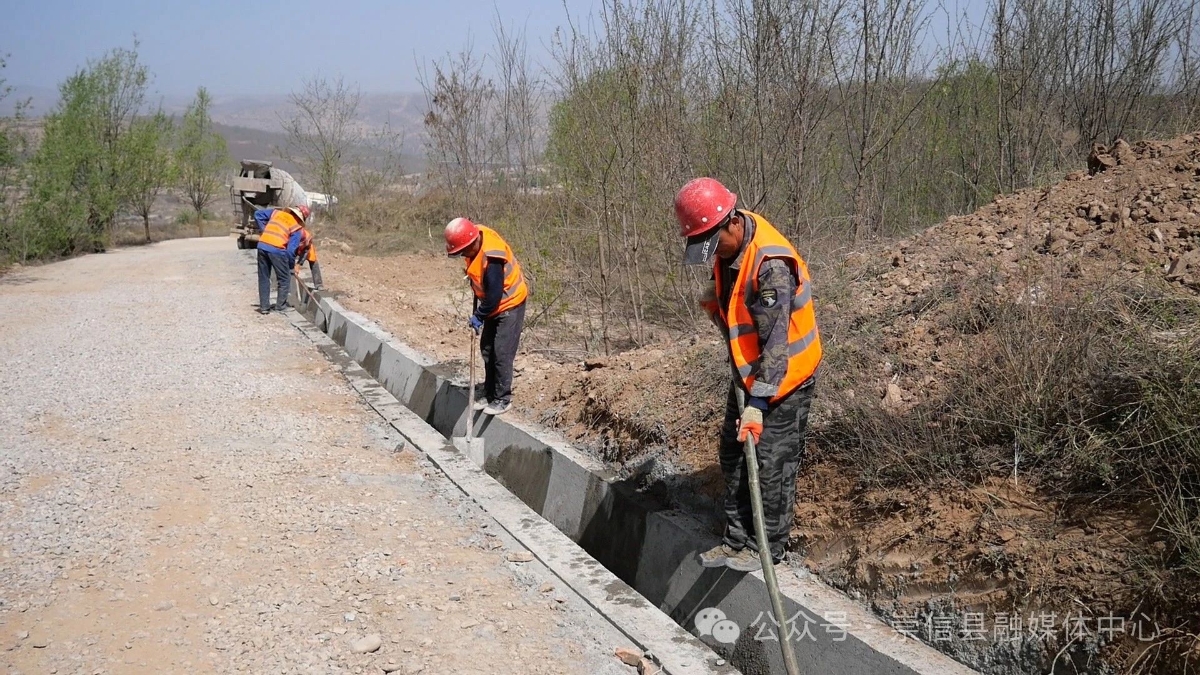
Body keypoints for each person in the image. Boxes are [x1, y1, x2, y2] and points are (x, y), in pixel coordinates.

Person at [675, 177, 822, 573]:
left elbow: (776, 342)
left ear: (733, 223)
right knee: (733, 452)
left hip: (785, 377)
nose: (714, 255)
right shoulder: (730, 243)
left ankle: (766, 547)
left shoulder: (772, 265)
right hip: (749, 371)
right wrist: (715, 301)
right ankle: (736, 538)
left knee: (771, 464)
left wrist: (758, 403)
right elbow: (736, 304)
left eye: (715, 245)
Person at [444, 217, 528, 416]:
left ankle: (502, 398)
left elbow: (494, 295)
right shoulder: (474, 236)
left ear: (472, 243)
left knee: (501, 352)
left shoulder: (492, 259)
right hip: (494, 305)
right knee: (487, 348)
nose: (463, 255)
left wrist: (479, 315)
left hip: (510, 303)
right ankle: (490, 393)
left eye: (463, 251)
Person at [254, 204, 309, 314]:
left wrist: (264, 230)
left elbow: (257, 214)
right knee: (284, 279)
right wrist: (290, 266)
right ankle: (280, 306)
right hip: (277, 249)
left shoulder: (276, 213)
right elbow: (290, 251)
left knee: (264, 278)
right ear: (302, 218)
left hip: (262, 245)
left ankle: (264, 307)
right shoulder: (297, 227)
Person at [294, 226, 324, 291]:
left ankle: (319, 284)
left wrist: (298, 264)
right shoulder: (291, 233)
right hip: (294, 248)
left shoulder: (307, 237)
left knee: (313, 261)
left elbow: (305, 252)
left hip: (306, 249)